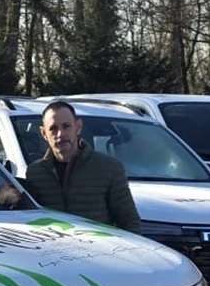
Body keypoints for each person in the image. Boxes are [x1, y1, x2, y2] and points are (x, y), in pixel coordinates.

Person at [25, 99, 142, 233]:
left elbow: (130, 223)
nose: (60, 134)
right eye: (53, 128)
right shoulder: (35, 173)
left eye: (66, 126)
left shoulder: (108, 169)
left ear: (78, 127)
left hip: (99, 250)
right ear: (44, 133)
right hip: (54, 251)